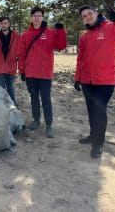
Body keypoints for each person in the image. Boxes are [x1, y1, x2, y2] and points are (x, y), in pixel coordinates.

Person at [75, 5, 115, 158]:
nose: (88, 17)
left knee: (99, 110)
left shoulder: (111, 27)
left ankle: (98, 143)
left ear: (96, 13)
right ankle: (93, 135)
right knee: (91, 110)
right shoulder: (84, 36)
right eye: (84, 16)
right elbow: (80, 58)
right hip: (87, 80)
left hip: (105, 80)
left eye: (90, 13)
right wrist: (78, 78)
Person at [18, 7, 67, 138]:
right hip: (30, 73)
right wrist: (22, 70)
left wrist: (61, 30)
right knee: (34, 98)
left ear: (43, 18)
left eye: (39, 15)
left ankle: (49, 124)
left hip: (45, 73)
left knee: (46, 99)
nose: (36, 18)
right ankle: (36, 119)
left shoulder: (50, 33)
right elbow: (21, 54)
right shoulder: (26, 35)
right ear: (31, 17)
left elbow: (61, 46)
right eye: (34, 15)